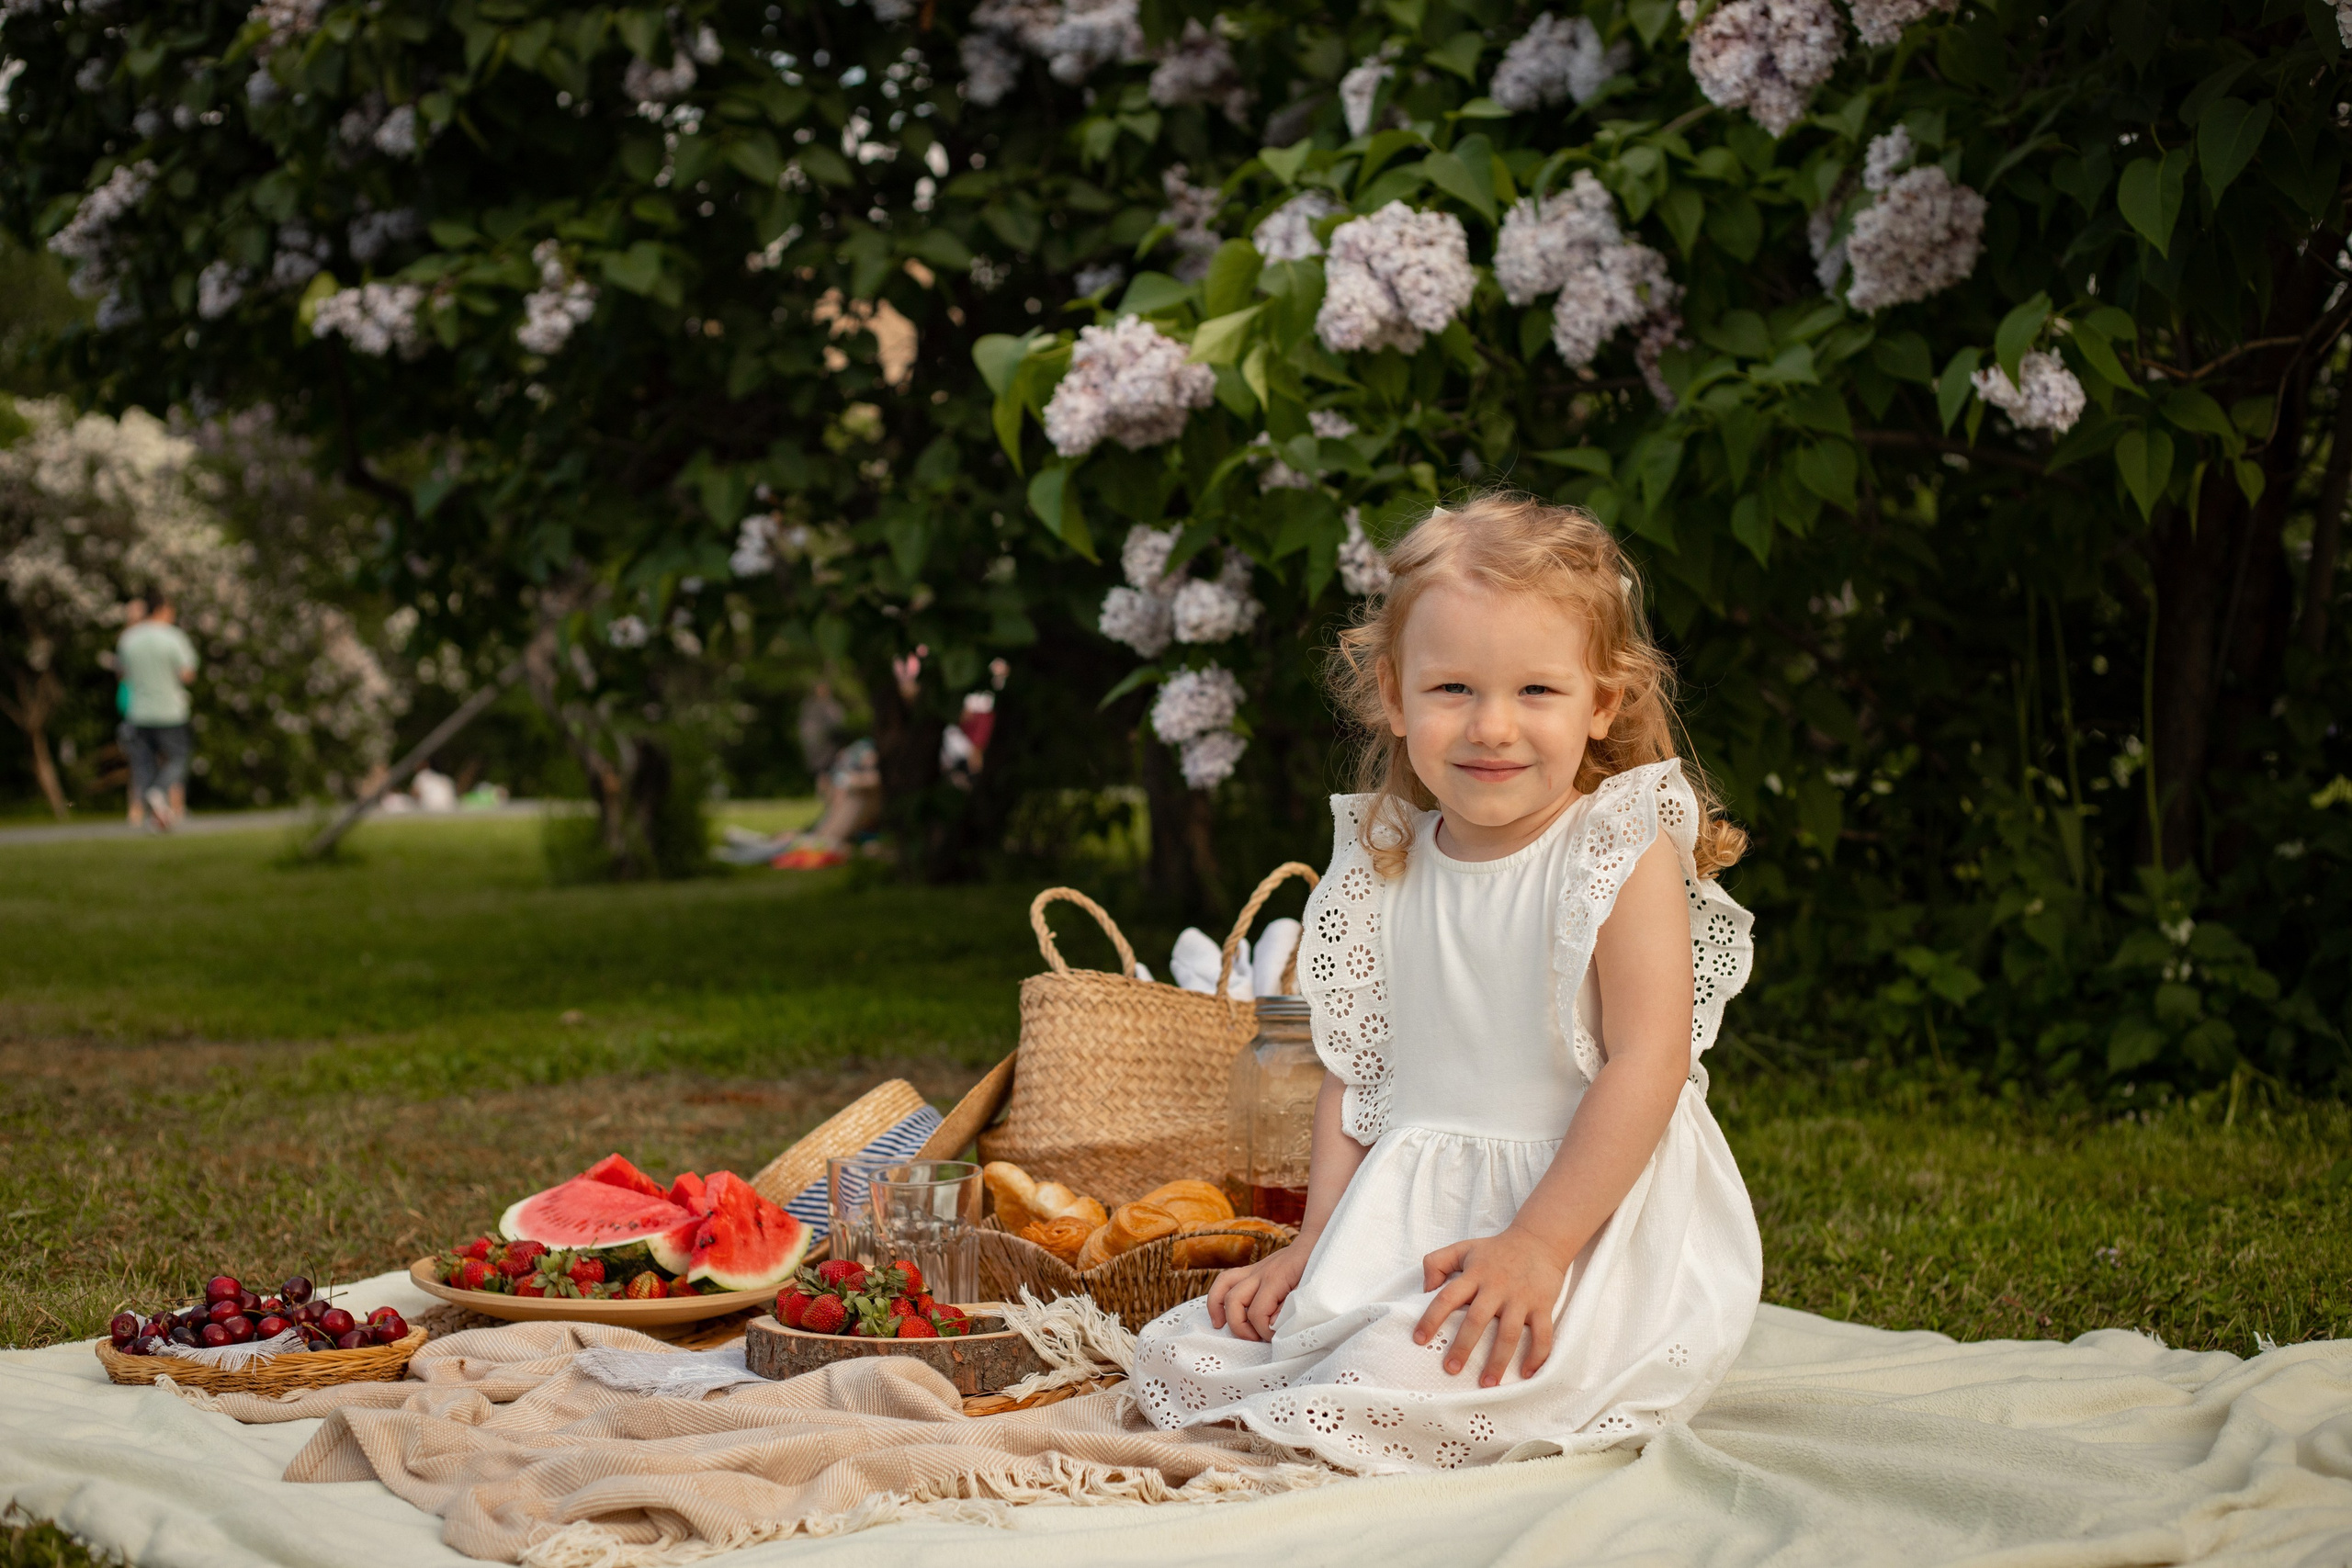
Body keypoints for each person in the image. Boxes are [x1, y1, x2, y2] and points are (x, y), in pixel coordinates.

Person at [1131, 495, 1759, 1472]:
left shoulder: (1613, 851)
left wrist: (1538, 1245)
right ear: (1395, 693)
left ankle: (1397, 1379)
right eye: (1453, 687)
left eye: (1536, 691)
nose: (1490, 726)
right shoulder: (1385, 860)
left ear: (1602, 702)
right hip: (1409, 1218)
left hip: (1576, 1222)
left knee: (1394, 1373)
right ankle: (1337, 1354)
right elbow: (1359, 1073)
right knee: (1190, 1349)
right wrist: (1315, 1244)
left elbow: (1650, 1062)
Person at [117, 592, 199, 831]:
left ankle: (151, 816)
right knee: (178, 759)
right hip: (170, 712)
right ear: (161, 609)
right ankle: (159, 791)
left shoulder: (128, 638)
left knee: (144, 765)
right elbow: (188, 674)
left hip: (138, 711)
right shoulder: (173, 637)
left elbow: (122, 673)